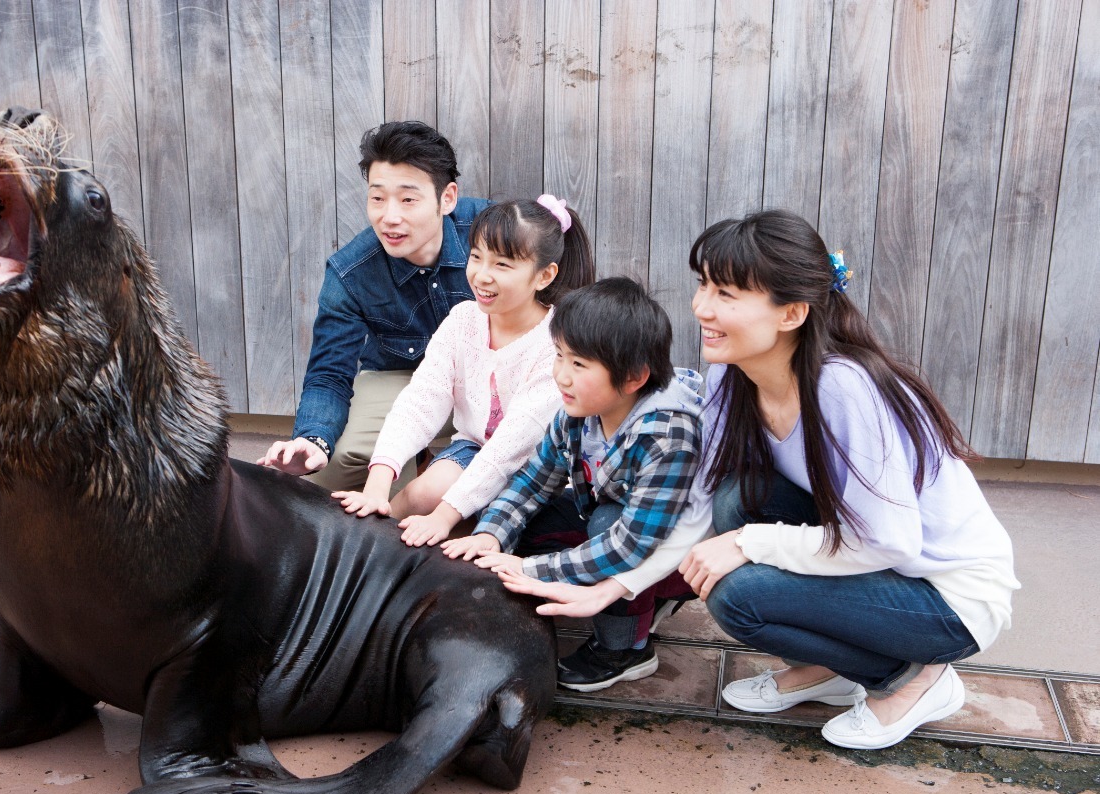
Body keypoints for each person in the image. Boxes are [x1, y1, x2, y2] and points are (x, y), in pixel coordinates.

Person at [668, 209, 1017, 750]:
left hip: (949, 599)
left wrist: (746, 543)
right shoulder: (729, 374)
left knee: (739, 594)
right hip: (875, 564)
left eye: (727, 294)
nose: (702, 308)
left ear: (792, 314)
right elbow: (700, 499)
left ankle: (913, 681)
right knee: (737, 500)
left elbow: (889, 540)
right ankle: (826, 671)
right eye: (703, 285)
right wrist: (602, 586)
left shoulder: (843, 388)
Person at [443, 277, 704, 692]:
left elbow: (630, 544)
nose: (561, 376)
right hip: (620, 524)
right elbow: (533, 480)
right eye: (559, 356)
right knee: (511, 520)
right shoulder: (580, 410)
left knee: (605, 523)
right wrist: (491, 535)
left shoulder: (667, 435)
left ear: (635, 376)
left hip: (676, 556)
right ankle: (615, 604)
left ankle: (625, 649)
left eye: (579, 364)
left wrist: (532, 569)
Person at [331, 197, 596, 547]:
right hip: (474, 448)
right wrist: (377, 487)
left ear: (544, 275)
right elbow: (421, 400)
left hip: (537, 470)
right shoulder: (464, 320)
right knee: (425, 492)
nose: (482, 275)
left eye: (502, 264)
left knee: (478, 526)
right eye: (476, 257)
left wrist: (444, 517)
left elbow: (509, 449)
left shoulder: (557, 343)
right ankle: (364, 547)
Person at [258, 121, 489, 491]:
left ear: (447, 198)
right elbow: (329, 372)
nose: (389, 216)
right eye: (377, 198)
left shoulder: (491, 230)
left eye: (408, 199)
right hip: (404, 378)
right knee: (323, 474)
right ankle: (415, 458)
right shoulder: (350, 273)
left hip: (495, 371)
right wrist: (313, 438)